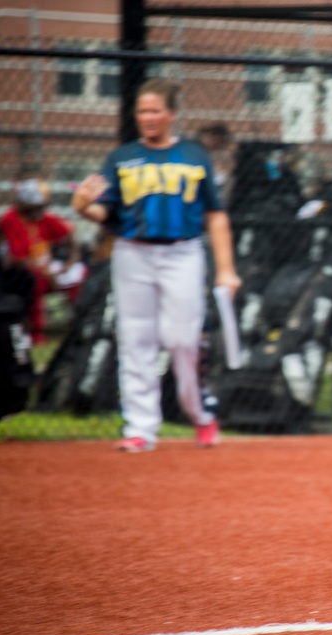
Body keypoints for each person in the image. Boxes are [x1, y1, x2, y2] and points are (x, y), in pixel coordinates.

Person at [71, 78, 241, 452]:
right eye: (141, 111)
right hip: (133, 253)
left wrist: (226, 269)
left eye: (154, 110)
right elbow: (105, 213)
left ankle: (200, 414)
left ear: (171, 114)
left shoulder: (194, 155)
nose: (147, 117)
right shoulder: (122, 158)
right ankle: (141, 427)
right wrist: (82, 205)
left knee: (184, 339)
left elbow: (215, 215)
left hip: (182, 253)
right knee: (135, 339)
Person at [0, 178, 84, 344]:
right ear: (24, 204)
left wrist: (70, 262)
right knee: (35, 277)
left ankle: (79, 324)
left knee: (80, 273)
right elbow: (16, 259)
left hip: (47, 266)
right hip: (20, 271)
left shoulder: (46, 218)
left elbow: (69, 234)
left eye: (42, 206)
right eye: (36, 206)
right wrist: (46, 273)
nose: (40, 210)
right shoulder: (10, 219)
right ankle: (35, 332)